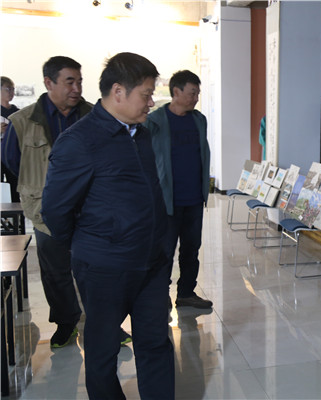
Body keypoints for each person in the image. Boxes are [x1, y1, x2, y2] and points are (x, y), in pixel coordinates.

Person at [41, 52, 174, 400]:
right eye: (146, 94)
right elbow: (55, 210)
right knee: (103, 352)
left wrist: (161, 244)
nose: (151, 102)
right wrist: (94, 244)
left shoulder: (141, 134)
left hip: (151, 264)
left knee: (156, 343)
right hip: (104, 268)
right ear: (118, 92)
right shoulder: (79, 141)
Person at [1, 57, 89, 347]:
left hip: (90, 208)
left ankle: (107, 323)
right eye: (69, 82)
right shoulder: (22, 122)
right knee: (55, 271)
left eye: (79, 82)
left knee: (95, 268)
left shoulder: (92, 116)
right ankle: (66, 323)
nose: (77, 88)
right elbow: (13, 162)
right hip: (45, 210)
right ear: (49, 83)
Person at [145, 70, 212, 309]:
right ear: (176, 92)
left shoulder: (199, 120)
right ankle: (159, 294)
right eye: (192, 93)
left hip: (194, 199)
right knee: (164, 251)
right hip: (167, 200)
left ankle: (186, 293)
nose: (196, 98)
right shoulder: (154, 121)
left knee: (191, 249)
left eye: (197, 93)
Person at [1, 76, 20, 202]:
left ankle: (17, 213)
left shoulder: (18, 113)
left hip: (13, 154)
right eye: (8, 89)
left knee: (15, 186)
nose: (11, 93)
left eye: (13, 89)